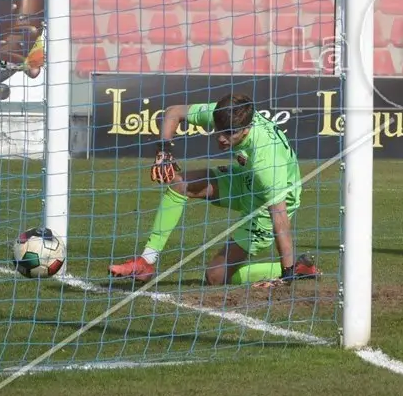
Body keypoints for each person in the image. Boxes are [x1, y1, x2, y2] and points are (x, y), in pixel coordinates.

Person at [109, 93, 319, 287]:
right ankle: (147, 261)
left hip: (266, 205)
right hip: (245, 177)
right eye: (219, 130)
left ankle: (296, 268)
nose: (221, 138)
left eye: (229, 134)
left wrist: (287, 269)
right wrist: (164, 150)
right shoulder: (226, 115)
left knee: (215, 276)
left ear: (246, 129)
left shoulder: (267, 160)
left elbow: (280, 218)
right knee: (179, 184)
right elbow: (174, 111)